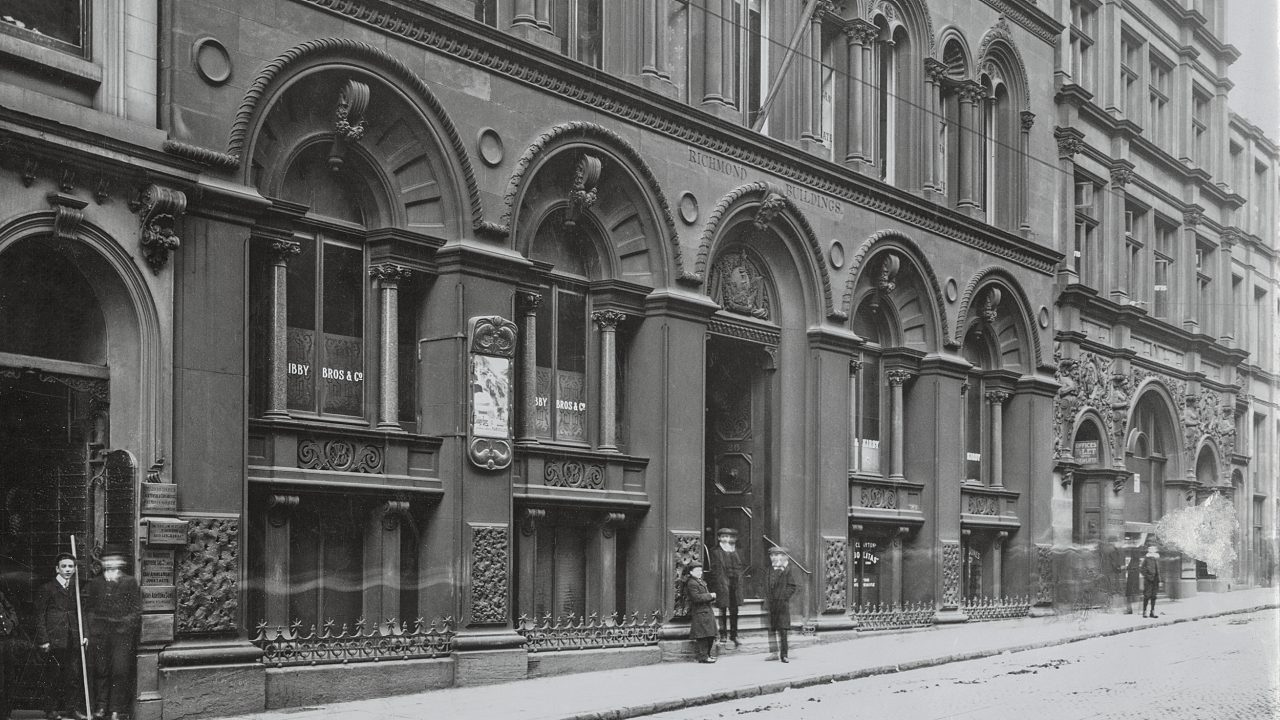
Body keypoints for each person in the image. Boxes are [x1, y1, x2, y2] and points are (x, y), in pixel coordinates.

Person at [86, 547, 140, 720]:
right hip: (100, 635)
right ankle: (101, 707)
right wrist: (94, 628)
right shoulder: (96, 583)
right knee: (101, 670)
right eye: (107, 560)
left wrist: (126, 625)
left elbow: (136, 609)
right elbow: (90, 608)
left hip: (121, 636)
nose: (110, 563)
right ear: (102, 563)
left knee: (120, 670)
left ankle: (116, 709)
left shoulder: (130, 582)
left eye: (114, 560)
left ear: (121, 563)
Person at [35, 553, 88, 720]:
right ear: (57, 569)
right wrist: (43, 639)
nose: (67, 569)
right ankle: (51, 710)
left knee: (72, 676)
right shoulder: (47, 588)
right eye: (64, 566)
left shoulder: (76, 589)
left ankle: (72, 710)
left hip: (72, 638)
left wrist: (84, 634)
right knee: (53, 676)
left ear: (75, 569)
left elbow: (82, 613)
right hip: (54, 639)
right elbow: (39, 616)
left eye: (70, 566)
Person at [707, 528, 746, 648]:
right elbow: (712, 570)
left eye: (730, 537)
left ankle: (734, 635)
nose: (727, 539)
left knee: (734, 610)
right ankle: (723, 634)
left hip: (735, 583)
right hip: (722, 583)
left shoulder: (739, 551)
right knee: (723, 609)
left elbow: (742, 566)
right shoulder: (714, 551)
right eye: (724, 536)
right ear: (719, 538)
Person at [764, 546, 797, 663]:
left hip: (782, 605)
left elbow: (792, 586)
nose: (774, 557)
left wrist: (784, 597)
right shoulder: (769, 569)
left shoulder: (787, 570)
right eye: (772, 555)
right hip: (771, 604)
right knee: (772, 629)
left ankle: (784, 654)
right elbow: (765, 584)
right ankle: (773, 653)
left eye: (777, 555)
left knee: (783, 630)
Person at [683, 560, 718, 663]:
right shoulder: (692, 583)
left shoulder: (700, 581)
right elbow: (696, 598)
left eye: (700, 570)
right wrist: (710, 596)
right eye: (697, 571)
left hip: (706, 611)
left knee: (710, 635)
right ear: (691, 572)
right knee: (702, 636)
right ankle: (703, 657)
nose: (700, 572)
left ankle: (707, 655)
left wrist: (711, 597)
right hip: (700, 612)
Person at [0, 588, 19, 720]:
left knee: (8, 677)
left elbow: (11, 610)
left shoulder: (0, 594)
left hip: (6, 641)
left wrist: (11, 623)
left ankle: (5, 713)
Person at [1140, 545, 1160, 619]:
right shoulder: (1146, 559)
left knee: (1154, 596)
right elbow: (1142, 569)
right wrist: (1147, 576)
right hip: (1148, 580)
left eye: (1154, 549)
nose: (1153, 551)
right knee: (1147, 596)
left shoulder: (1156, 559)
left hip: (1155, 580)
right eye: (1152, 549)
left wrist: (1159, 579)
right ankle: (1144, 612)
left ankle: (1152, 612)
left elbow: (1158, 570)